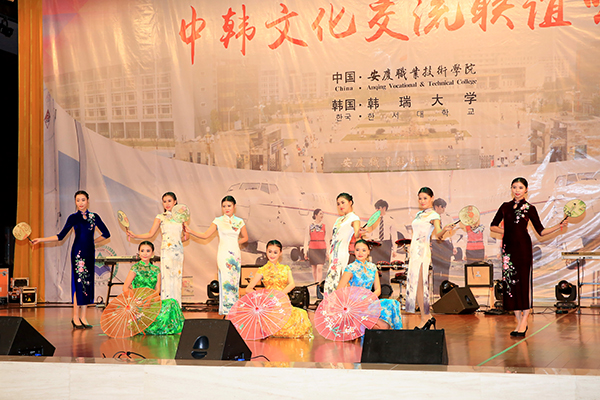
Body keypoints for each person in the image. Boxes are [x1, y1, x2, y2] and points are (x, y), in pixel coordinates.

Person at [490, 177, 567, 337]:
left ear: (526, 190)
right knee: (510, 285)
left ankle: (525, 319)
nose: (517, 190)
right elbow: (493, 226)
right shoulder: (505, 206)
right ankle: (519, 322)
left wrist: (558, 226)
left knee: (523, 283)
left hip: (523, 249)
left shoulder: (530, 208)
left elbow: (541, 231)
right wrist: (508, 232)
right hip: (508, 250)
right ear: (511, 189)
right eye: (514, 187)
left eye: (520, 187)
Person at [32, 190, 110, 329]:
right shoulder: (73, 218)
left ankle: (83, 317)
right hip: (78, 254)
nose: (80, 203)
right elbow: (60, 236)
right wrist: (41, 240)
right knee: (78, 283)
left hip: (89, 253)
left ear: (88, 201)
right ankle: (75, 317)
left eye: (83, 200)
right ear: (75, 202)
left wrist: (93, 242)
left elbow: (106, 234)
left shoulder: (94, 217)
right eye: (78, 200)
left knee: (87, 284)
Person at [186, 195, 248, 315]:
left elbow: (245, 237)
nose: (226, 208)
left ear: (234, 206)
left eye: (229, 206)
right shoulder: (218, 221)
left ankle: (234, 309)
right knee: (226, 279)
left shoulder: (239, 221)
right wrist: (190, 231)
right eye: (224, 206)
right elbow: (205, 235)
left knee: (234, 280)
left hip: (235, 254)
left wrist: (235, 243)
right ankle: (226, 309)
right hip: (223, 254)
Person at [127, 192, 187, 306]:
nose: (167, 204)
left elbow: (186, 237)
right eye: (164, 201)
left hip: (178, 252)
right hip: (166, 251)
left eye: (169, 201)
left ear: (175, 202)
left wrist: (176, 241)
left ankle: (176, 307)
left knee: (177, 279)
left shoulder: (181, 218)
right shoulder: (160, 217)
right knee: (167, 278)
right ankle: (166, 307)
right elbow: (150, 234)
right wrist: (136, 235)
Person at [246, 240, 313, 338]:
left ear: (280, 253)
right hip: (269, 303)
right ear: (266, 251)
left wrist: (280, 294)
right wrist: (263, 296)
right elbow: (248, 289)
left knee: (301, 315)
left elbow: (292, 284)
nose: (272, 255)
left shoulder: (285, 268)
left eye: (275, 252)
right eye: (270, 251)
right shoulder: (262, 270)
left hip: (283, 301)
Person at [405, 187, 451, 329]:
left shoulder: (434, 216)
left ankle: (426, 318)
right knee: (417, 286)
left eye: (425, 198)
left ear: (432, 198)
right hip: (414, 251)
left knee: (421, 286)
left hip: (422, 252)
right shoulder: (419, 214)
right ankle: (426, 317)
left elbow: (439, 233)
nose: (422, 201)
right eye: (420, 198)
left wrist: (445, 229)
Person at [121, 241, 184, 335]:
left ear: (152, 253)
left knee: (172, 303)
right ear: (139, 253)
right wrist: (135, 300)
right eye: (142, 251)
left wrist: (150, 299)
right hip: (139, 303)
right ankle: (144, 324)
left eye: (148, 251)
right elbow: (125, 288)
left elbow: (157, 289)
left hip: (151, 301)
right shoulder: (135, 268)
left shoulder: (156, 270)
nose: (145, 253)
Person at [338, 240, 403, 329]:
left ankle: (399, 333)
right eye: (357, 250)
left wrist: (369, 299)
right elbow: (339, 290)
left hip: (370, 301)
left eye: (364, 250)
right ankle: (357, 323)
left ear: (368, 252)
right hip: (356, 304)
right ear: (354, 251)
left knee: (393, 303)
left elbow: (378, 290)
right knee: (383, 327)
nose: (360, 253)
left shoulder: (372, 267)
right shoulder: (350, 268)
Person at [323, 193, 361, 295]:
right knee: (330, 283)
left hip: (342, 254)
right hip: (333, 254)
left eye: (343, 202)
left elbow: (357, 234)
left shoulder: (354, 218)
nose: (340, 206)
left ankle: (342, 303)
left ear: (350, 202)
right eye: (338, 204)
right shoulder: (338, 219)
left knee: (340, 283)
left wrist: (360, 232)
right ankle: (332, 303)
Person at [431, 198, 455, 296]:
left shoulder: (448, 218)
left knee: (445, 268)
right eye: (442, 207)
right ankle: (436, 290)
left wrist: (454, 246)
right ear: (436, 207)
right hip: (435, 243)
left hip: (446, 243)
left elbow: (452, 234)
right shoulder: (430, 218)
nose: (444, 209)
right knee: (436, 268)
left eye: (444, 207)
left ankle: (445, 290)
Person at [304, 208, 327, 299]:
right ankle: (316, 285)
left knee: (319, 268)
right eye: (320, 214)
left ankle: (319, 287)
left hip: (321, 249)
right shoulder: (310, 226)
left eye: (322, 214)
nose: (322, 215)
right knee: (314, 269)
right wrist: (305, 252)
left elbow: (327, 239)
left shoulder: (324, 226)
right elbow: (306, 239)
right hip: (312, 248)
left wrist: (328, 252)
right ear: (315, 215)